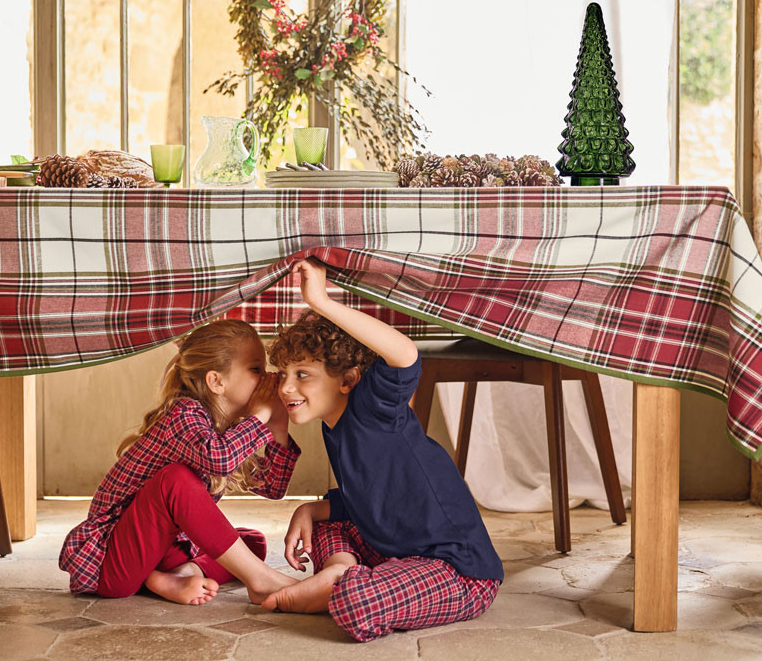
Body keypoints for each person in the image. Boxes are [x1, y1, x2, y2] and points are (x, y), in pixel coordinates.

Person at [262, 258, 503, 642]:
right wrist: (308, 508)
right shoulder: (333, 427)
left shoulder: (375, 408)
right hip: (394, 554)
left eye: (302, 375)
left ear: (348, 380)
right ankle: (338, 571)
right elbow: (368, 499)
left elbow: (405, 356)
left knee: (357, 605)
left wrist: (321, 302)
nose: (286, 388)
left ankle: (342, 585)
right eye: (284, 376)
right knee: (325, 524)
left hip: (456, 571)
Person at [58, 319, 300, 605]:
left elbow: (272, 488)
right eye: (255, 369)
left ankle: (179, 574)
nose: (268, 378)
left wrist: (279, 430)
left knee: (251, 543)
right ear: (216, 381)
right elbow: (218, 460)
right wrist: (259, 418)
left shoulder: (227, 428)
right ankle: (258, 580)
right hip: (113, 561)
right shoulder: (184, 414)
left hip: (164, 548)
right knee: (175, 479)